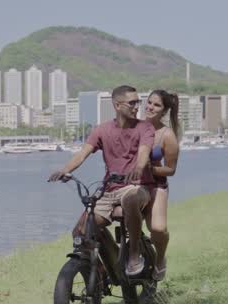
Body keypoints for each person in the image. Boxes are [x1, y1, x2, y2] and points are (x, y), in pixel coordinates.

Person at [48, 85, 155, 276]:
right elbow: (82, 154)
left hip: (136, 187)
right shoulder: (102, 130)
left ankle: (134, 253)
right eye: (132, 102)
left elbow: (144, 153)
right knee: (80, 231)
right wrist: (65, 170)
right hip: (109, 189)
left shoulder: (144, 127)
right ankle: (102, 272)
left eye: (138, 102)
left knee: (130, 200)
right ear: (117, 105)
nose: (136, 106)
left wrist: (138, 169)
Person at [145, 90, 181, 281]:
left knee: (158, 229)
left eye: (156, 105)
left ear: (164, 111)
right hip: (132, 185)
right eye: (149, 102)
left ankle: (160, 258)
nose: (150, 107)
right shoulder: (135, 127)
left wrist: (149, 169)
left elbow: (170, 170)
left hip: (156, 185)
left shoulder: (167, 135)